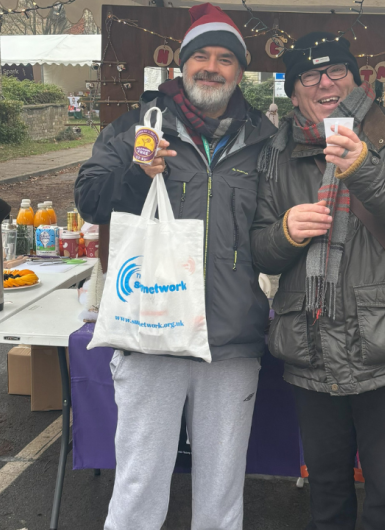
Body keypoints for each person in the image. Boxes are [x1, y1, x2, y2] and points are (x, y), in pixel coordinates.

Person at [74, 4, 277, 529]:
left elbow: (273, 227)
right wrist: (139, 175)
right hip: (150, 335)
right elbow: (90, 199)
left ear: (240, 72)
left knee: (222, 490)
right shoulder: (139, 125)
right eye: (201, 56)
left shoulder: (263, 139)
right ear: (183, 64)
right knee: (140, 483)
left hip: (231, 339)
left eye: (226, 59)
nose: (212, 67)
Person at [250, 32, 385, 530]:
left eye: (337, 70)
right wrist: (284, 234)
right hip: (310, 346)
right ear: (293, 92)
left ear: (357, 78)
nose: (326, 83)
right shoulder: (276, 152)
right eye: (309, 75)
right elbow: (258, 248)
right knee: (325, 489)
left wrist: (364, 168)